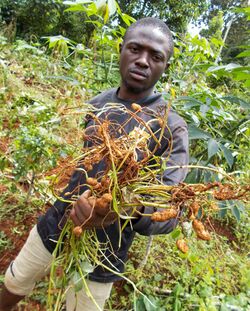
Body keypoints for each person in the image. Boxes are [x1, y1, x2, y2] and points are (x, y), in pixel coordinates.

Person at [0, 17, 189, 311]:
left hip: (106, 248)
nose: (142, 61)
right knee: (14, 283)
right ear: (121, 49)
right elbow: (84, 167)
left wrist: (118, 210)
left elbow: (171, 211)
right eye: (135, 49)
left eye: (156, 56)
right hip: (59, 218)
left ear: (165, 66)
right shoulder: (98, 103)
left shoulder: (171, 128)